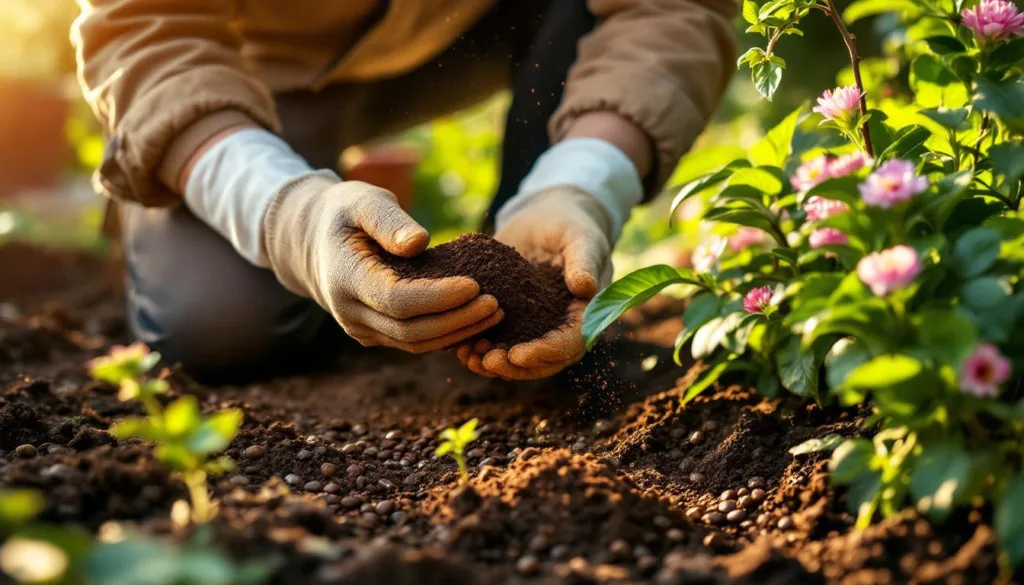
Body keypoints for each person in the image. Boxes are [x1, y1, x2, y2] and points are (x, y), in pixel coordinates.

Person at [72, 0, 738, 383]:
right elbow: (143, 30)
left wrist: (581, 180)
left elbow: (668, 8)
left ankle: (530, 217)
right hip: (253, 71)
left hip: (478, 24)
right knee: (219, 329)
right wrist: (290, 219)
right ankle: (179, 191)